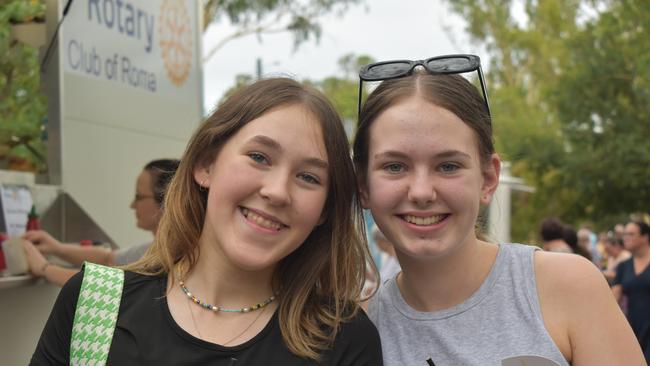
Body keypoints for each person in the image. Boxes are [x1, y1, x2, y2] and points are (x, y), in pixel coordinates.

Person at [30, 78, 382, 365]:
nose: (277, 191)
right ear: (206, 165)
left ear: (324, 209)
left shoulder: (343, 341)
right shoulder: (93, 303)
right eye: (259, 157)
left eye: (308, 177)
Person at [352, 55, 645, 365]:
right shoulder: (358, 331)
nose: (422, 192)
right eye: (395, 166)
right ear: (363, 185)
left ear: (488, 178)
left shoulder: (567, 287)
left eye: (448, 166)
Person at [20, 159, 179, 286]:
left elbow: (106, 286)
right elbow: (108, 259)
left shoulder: (171, 257)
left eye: (139, 197)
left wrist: (44, 268)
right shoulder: (153, 249)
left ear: (166, 201)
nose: (132, 205)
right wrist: (56, 248)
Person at [613, 221, 650, 362]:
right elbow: (613, 298)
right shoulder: (623, 266)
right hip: (634, 329)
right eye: (624, 234)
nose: (625, 238)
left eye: (631, 234)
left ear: (645, 237)